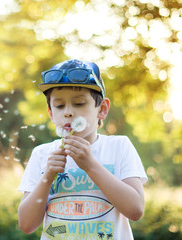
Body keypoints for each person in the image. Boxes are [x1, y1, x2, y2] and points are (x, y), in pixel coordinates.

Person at [17, 59, 148, 240]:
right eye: (59, 105)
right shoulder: (42, 154)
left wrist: (90, 165)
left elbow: (135, 210)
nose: (68, 112)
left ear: (102, 109)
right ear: (50, 113)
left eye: (79, 103)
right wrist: (47, 176)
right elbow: (26, 224)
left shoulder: (119, 146)